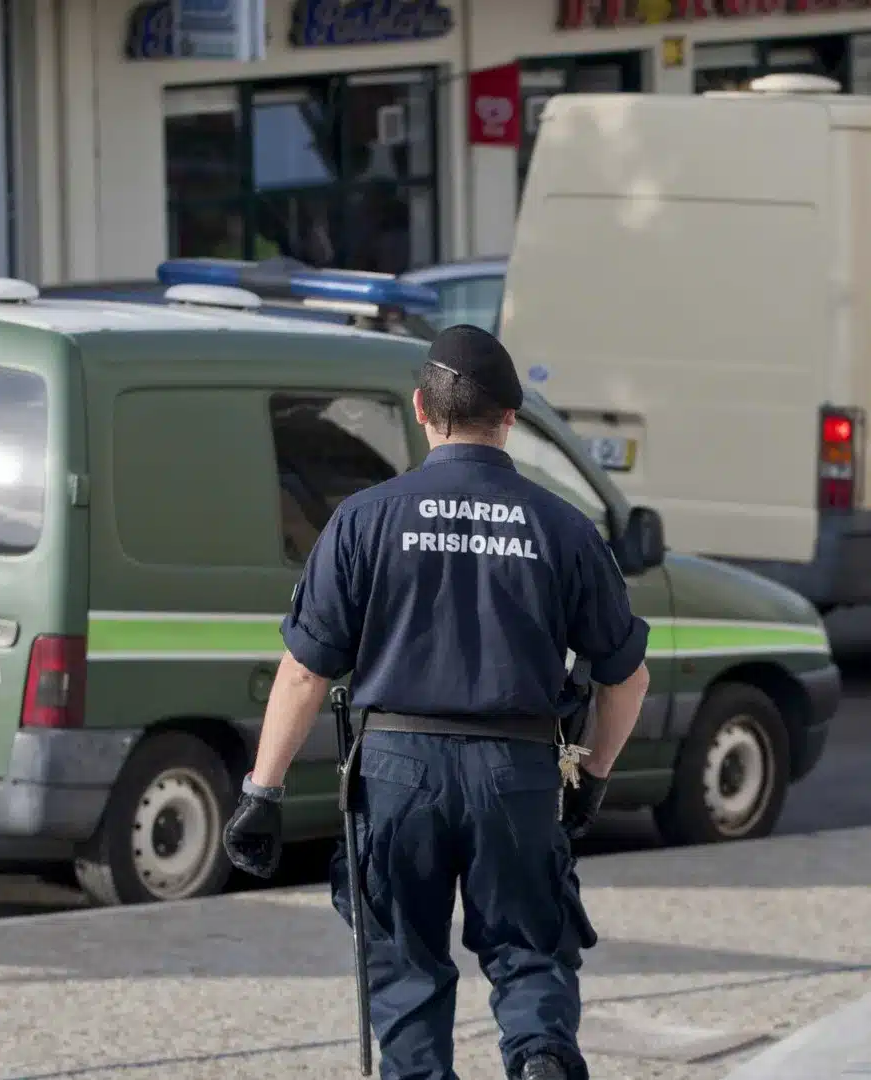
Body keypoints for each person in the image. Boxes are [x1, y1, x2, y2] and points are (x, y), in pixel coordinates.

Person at [222, 324, 651, 1080]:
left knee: (408, 971)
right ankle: (542, 1059)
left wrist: (262, 791)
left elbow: (303, 672)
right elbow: (626, 676)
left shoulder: (364, 519)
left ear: (422, 408)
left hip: (396, 774)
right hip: (516, 771)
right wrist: (594, 776)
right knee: (531, 956)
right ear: (511, 419)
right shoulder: (563, 529)